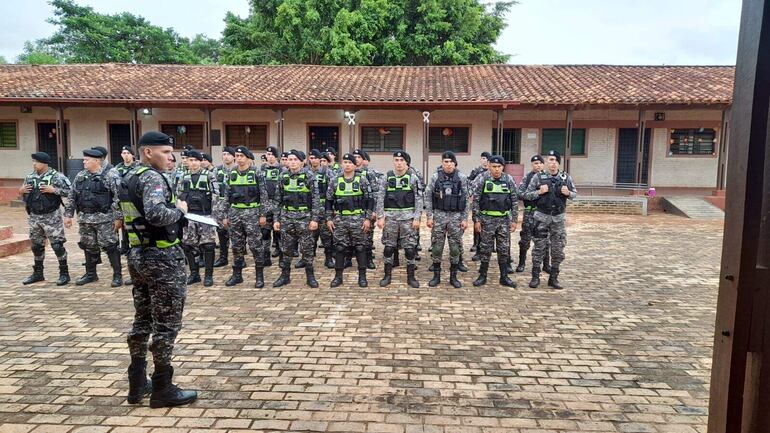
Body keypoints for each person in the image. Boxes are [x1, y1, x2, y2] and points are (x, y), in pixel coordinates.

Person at [119, 131, 196, 408]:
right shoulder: (152, 177)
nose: (170, 157)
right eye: (165, 151)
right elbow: (156, 213)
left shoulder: (129, 176)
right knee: (166, 324)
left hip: (138, 253)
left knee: (142, 320)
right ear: (147, 152)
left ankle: (137, 382)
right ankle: (163, 387)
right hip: (162, 256)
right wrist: (181, 210)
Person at [64, 148, 124, 287]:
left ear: (97, 161)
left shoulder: (110, 175)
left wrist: (118, 218)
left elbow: (118, 197)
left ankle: (117, 275)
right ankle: (91, 274)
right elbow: (72, 195)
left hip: (105, 218)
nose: (83, 162)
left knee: (110, 246)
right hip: (85, 218)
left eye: (87, 160)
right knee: (88, 245)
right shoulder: (81, 176)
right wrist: (68, 215)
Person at [523, 150, 577, 289]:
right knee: (539, 248)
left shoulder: (566, 178)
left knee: (558, 250)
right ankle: (535, 277)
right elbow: (526, 195)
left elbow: (575, 194)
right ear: (546, 163)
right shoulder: (538, 177)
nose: (552, 163)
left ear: (559, 162)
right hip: (541, 218)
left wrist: (568, 193)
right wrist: (539, 192)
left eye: (555, 160)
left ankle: (553, 278)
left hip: (558, 219)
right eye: (550, 160)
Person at [19, 152, 72, 286]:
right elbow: (22, 194)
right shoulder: (30, 177)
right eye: (33, 161)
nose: (34, 164)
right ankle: (38, 273)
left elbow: (71, 192)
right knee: (36, 246)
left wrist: (53, 190)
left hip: (51, 217)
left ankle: (64, 273)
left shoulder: (57, 177)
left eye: (36, 162)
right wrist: (21, 190)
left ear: (44, 163)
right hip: (34, 216)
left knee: (57, 245)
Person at [272, 150, 322, 288]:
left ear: (302, 161)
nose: (292, 162)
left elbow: (316, 200)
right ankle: (284, 276)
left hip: (304, 218)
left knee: (307, 249)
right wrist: (276, 219)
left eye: (295, 159)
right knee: (286, 249)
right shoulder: (282, 176)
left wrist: (314, 219)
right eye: (290, 159)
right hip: (287, 217)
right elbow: (277, 199)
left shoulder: (309, 176)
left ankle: (310, 276)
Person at [221, 146, 270, 288]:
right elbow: (226, 196)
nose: (239, 158)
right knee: (236, 245)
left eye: (242, 156)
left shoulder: (257, 173)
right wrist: (225, 215)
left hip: (252, 213)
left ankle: (259, 277)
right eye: (237, 156)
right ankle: (237, 275)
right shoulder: (231, 173)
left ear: (248, 158)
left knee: (255, 245)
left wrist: (262, 214)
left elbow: (264, 195)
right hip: (235, 213)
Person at [376, 150, 423, 288]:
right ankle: (387, 275)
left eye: (402, 160)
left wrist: (417, 217)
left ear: (407, 163)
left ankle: (411, 277)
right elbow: (379, 198)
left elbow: (419, 199)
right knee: (389, 248)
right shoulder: (386, 178)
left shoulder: (413, 178)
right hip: (390, 218)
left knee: (409, 249)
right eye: (396, 160)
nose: (399, 163)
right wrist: (380, 217)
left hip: (408, 218)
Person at [326, 153, 374, 287]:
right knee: (340, 248)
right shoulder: (335, 180)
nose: (347, 165)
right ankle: (338, 277)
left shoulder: (362, 180)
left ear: (354, 165)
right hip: (340, 219)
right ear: (342, 164)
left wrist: (367, 218)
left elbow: (370, 200)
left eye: (349, 162)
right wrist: (329, 219)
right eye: (345, 162)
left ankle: (362, 277)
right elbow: (329, 201)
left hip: (358, 218)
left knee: (360, 247)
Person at [471, 155, 518, 288]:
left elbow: (514, 201)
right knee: (485, 249)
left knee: (503, 249)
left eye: (499, 167)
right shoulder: (483, 179)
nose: (496, 169)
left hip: (503, 220)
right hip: (487, 220)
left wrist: (514, 220)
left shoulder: (509, 180)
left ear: (503, 167)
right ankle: (482, 276)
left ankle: (504, 277)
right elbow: (476, 201)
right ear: (489, 166)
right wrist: (477, 220)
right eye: (494, 166)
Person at [425, 151, 468, 288]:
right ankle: (436, 276)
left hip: (456, 216)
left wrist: (465, 218)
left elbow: (466, 199)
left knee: (455, 247)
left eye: (451, 162)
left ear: (455, 163)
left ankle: (453, 277)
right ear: (442, 163)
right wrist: (429, 216)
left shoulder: (461, 177)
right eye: (445, 162)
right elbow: (428, 197)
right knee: (437, 247)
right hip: (439, 215)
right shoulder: (435, 177)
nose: (448, 164)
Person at [177, 150, 219, 287]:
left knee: (208, 245)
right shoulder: (183, 176)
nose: (193, 163)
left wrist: (215, 216)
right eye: (190, 160)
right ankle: (194, 274)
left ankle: (208, 275)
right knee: (188, 245)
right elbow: (179, 195)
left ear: (200, 161)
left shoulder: (209, 175)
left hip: (205, 216)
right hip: (189, 216)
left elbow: (216, 195)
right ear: (187, 162)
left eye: (196, 160)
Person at [516, 155, 547, 273]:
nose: (538, 165)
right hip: (530, 212)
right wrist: (538, 192)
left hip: (544, 213)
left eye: (539, 163)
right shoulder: (527, 178)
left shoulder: (548, 178)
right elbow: (520, 194)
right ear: (532, 165)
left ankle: (546, 265)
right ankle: (521, 263)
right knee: (525, 239)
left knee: (545, 239)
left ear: (543, 164)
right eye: (535, 163)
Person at [307, 149, 334, 269]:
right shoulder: (305, 172)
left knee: (326, 236)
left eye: (315, 158)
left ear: (319, 159)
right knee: (310, 236)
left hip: (324, 209)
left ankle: (328, 259)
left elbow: (333, 192)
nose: (313, 160)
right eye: (311, 158)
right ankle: (308, 259)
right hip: (310, 209)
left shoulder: (328, 173)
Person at [353, 149, 380, 269]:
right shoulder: (345, 172)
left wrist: (374, 210)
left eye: (358, 157)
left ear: (363, 160)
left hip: (366, 210)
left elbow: (375, 193)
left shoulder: (369, 173)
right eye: (354, 157)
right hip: (351, 211)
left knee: (367, 236)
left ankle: (369, 259)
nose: (356, 159)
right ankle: (348, 259)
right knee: (349, 237)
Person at [213, 147, 237, 267]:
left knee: (236, 233)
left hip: (235, 206)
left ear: (234, 157)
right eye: (224, 154)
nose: (226, 156)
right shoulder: (216, 171)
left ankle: (239, 258)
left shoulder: (238, 170)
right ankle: (223, 257)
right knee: (221, 232)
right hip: (221, 206)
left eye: (228, 154)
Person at [260, 146, 282, 266]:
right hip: (266, 203)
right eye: (267, 154)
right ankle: (266, 256)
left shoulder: (281, 169)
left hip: (277, 203)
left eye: (271, 154)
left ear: (276, 156)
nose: (269, 156)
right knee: (265, 231)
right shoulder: (262, 168)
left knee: (278, 231)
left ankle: (279, 251)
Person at [115, 146, 138, 257]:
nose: (126, 155)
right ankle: (124, 245)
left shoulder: (138, 167)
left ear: (133, 155)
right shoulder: (117, 169)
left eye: (128, 153)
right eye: (124, 153)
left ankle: (135, 245)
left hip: (133, 201)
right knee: (121, 224)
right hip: (120, 201)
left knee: (133, 224)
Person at [468, 151, 491, 260]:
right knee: (477, 225)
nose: (485, 161)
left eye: (486, 159)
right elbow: (469, 182)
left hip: (492, 205)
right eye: (483, 158)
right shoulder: (477, 172)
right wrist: (471, 194)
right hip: (479, 203)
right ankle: (476, 245)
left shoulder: (496, 172)